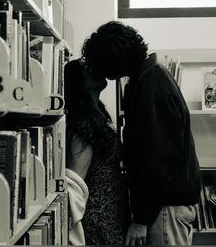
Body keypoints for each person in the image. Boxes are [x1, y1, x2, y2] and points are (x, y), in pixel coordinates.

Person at [82, 21, 202, 245]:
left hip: (163, 210)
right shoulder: (148, 77)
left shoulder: (151, 85)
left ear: (114, 60)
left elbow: (158, 159)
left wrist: (141, 219)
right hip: (162, 207)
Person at [64, 59, 130, 245]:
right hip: (98, 219)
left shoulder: (95, 116)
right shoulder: (82, 126)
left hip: (111, 211)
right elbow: (75, 182)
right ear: (79, 83)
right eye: (87, 69)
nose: (95, 70)